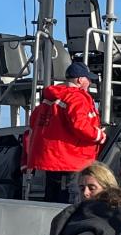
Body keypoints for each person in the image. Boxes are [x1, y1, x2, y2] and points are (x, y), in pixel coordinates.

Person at [23, 60, 107, 203]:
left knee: (52, 197)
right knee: (73, 197)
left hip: (50, 159)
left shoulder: (49, 98)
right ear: (80, 80)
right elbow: (80, 125)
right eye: (88, 80)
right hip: (71, 159)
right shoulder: (77, 97)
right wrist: (99, 135)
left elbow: (33, 123)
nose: (89, 83)